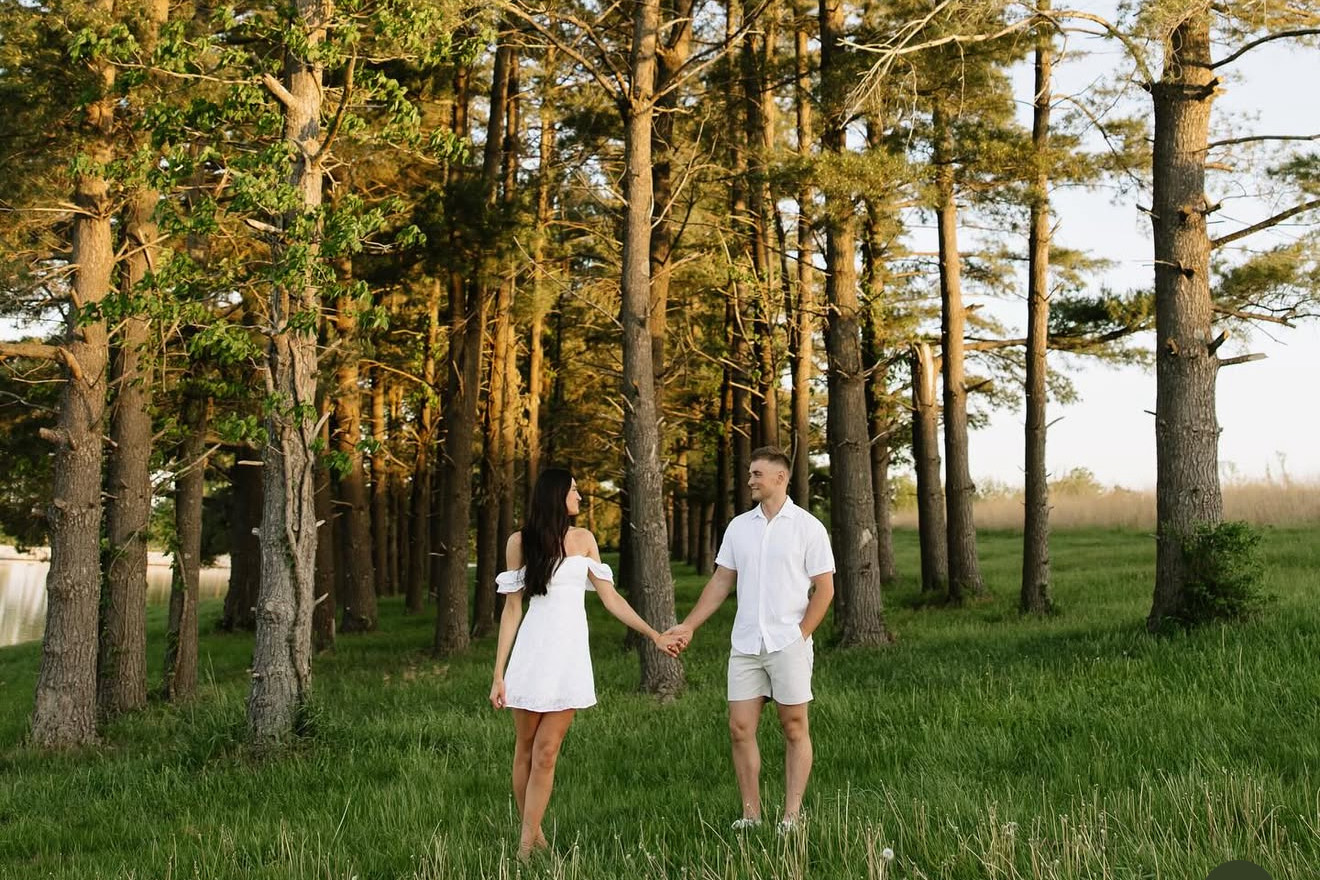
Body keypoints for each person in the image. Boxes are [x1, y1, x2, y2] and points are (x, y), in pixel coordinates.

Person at [489, 468, 684, 859]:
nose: (580, 496)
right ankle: (535, 833)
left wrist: (654, 635)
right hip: (531, 655)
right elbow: (512, 611)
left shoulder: (584, 541)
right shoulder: (520, 542)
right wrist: (498, 674)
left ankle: (524, 848)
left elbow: (611, 599)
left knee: (547, 751)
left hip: (569, 659)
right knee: (525, 746)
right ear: (556, 495)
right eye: (574, 491)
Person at [666, 446, 835, 832]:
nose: (750, 481)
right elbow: (722, 581)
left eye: (757, 474)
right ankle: (751, 815)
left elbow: (824, 589)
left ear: (780, 478)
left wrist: (800, 636)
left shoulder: (808, 527)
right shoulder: (739, 527)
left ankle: (792, 815)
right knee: (739, 728)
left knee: (794, 726)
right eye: (749, 473)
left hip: (787, 643)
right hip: (745, 645)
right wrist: (689, 625)